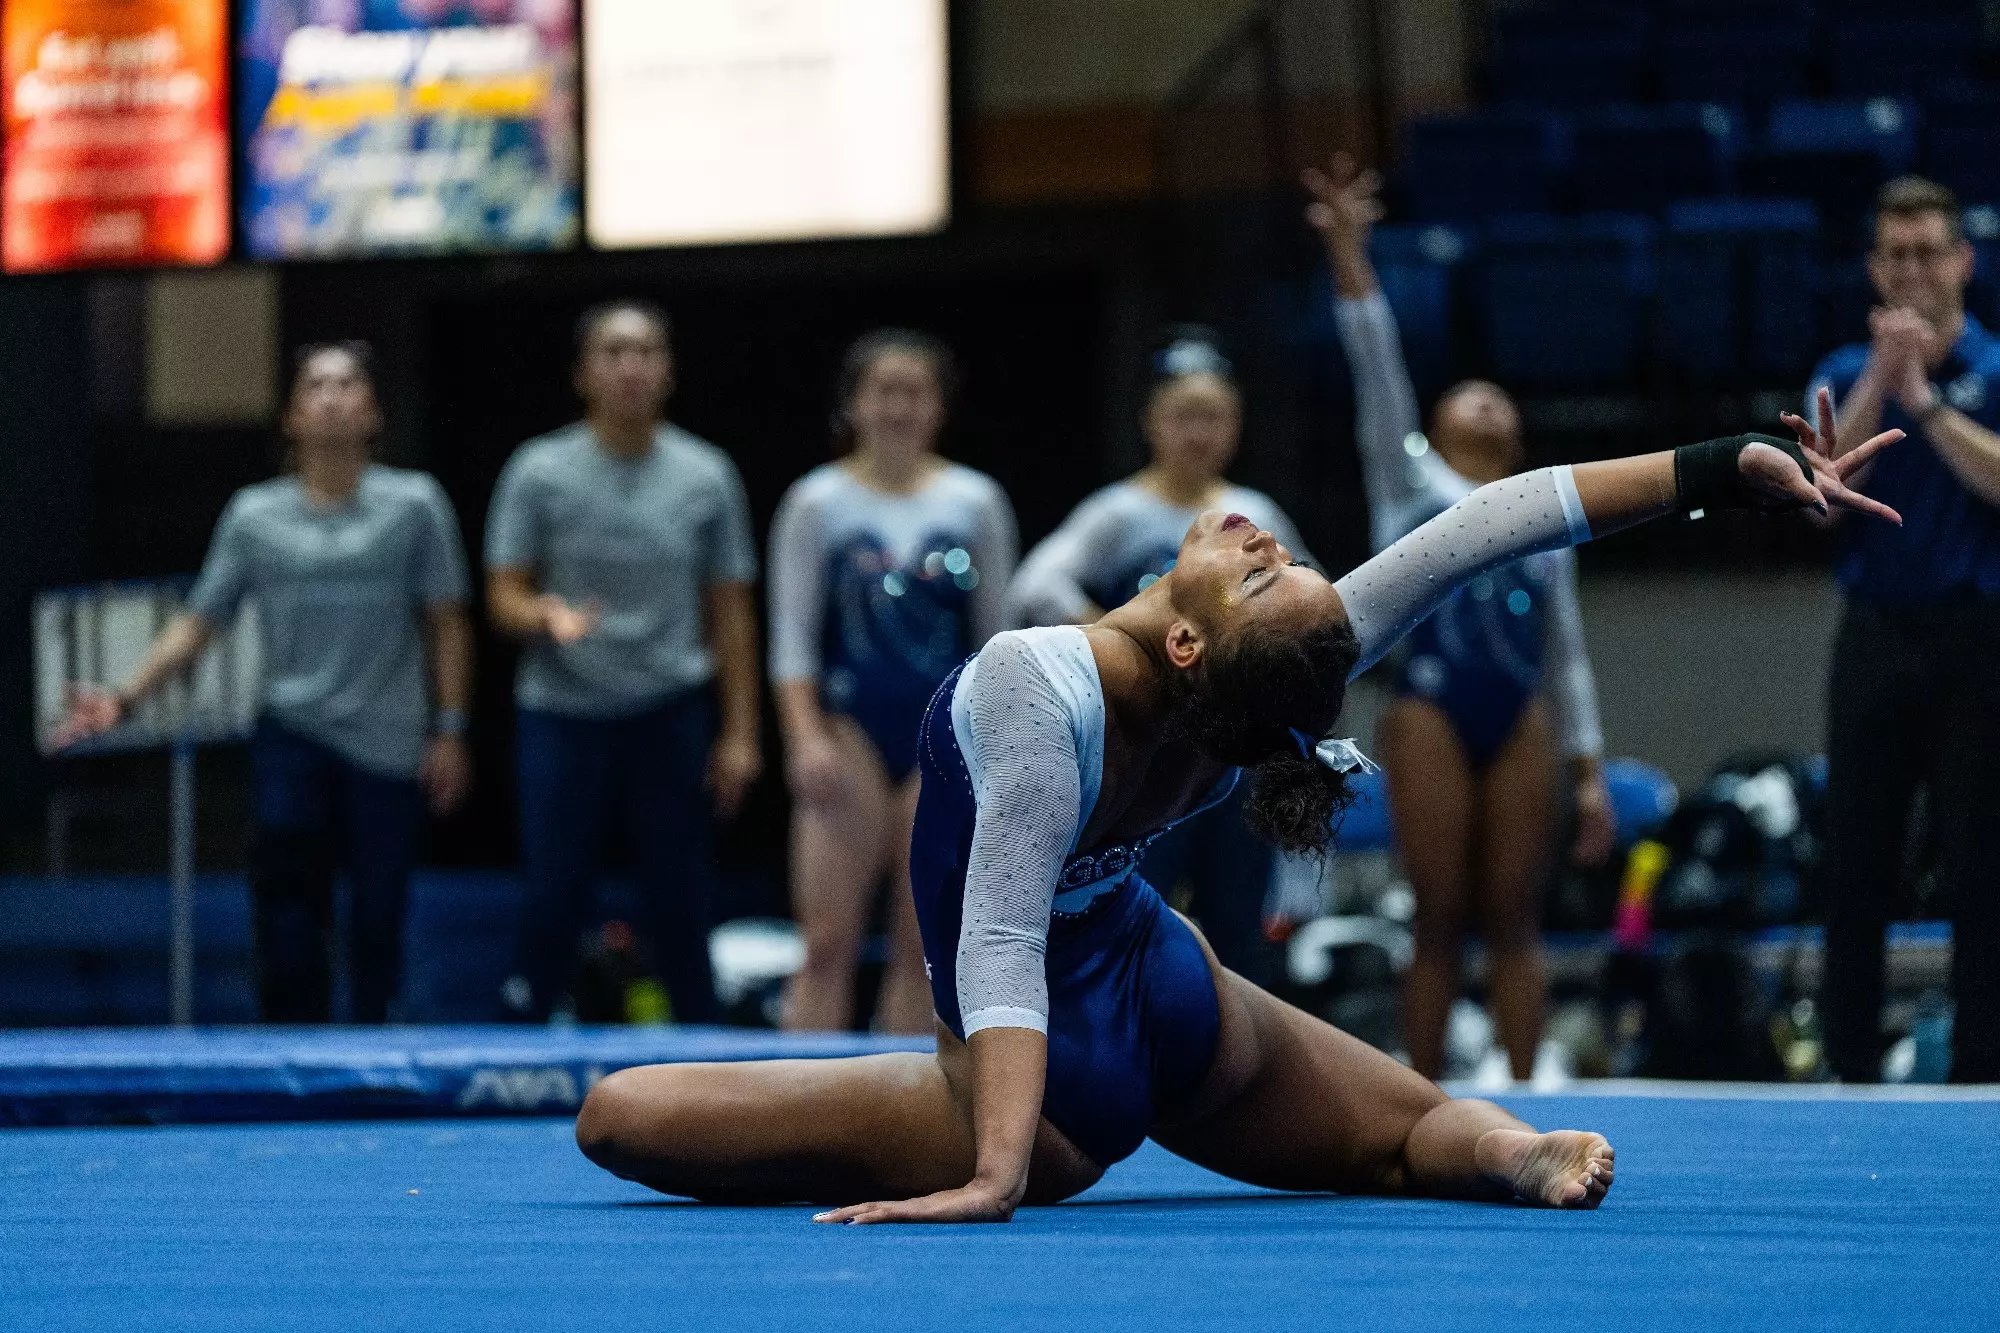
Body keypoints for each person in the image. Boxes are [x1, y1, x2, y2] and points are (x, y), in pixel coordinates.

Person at [572, 411, 1900, 1221]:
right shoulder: (1286, 675)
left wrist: (994, 1168)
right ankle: (1509, 1153)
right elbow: (1496, 523)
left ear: (1200, 645)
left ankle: (1509, 1152)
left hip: (1042, 1093)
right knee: (1404, 1135)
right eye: (1284, 563)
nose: (1271, 548)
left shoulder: (1039, 680)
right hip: (1174, 997)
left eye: (1269, 576)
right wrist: (1728, 463)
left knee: (620, 1116)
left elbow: (998, 950)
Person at [1305, 154, 1615, 1082]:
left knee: (1515, 913)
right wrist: (1351, 256)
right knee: (1438, 910)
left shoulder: (1540, 517)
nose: (1485, 395)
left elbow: (1567, 653)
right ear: (1434, 426)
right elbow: (1375, 366)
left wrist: (1589, 773)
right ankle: (1424, 1095)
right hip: (1430, 710)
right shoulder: (1408, 487)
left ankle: (1523, 1093)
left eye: (1499, 396)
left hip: (1518, 710)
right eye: (1466, 392)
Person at [56, 342, 474, 1023]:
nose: (333, 397)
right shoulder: (255, 515)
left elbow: (447, 621)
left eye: (348, 385)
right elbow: (200, 620)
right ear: (291, 416)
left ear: (373, 413)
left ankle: (377, 1053)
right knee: (285, 913)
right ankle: (291, 1053)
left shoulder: (416, 505)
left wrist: (450, 728)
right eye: (317, 385)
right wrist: (125, 696)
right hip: (293, 731)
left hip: (390, 736)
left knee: (379, 912)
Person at [1005, 328, 1310, 986]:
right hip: (1146, 751)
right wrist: (1118, 644)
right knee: (1129, 910)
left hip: (1230, 752)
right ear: (1152, 422)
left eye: (1214, 417)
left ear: (1236, 424)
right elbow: (1034, 587)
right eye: (1183, 416)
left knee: (1237, 923)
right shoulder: (1119, 513)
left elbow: (1312, 613)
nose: (1198, 433)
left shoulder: (1253, 513)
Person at [486, 300, 761, 1025]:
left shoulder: (707, 474)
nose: (630, 366)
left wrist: (740, 733)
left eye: (646, 352)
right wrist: (542, 616)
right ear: (583, 374)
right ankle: (518, 1056)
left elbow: (731, 611)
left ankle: (705, 1050)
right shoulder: (538, 470)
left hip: (670, 708)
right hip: (562, 708)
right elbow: (503, 594)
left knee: (680, 894)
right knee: (553, 892)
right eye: (612, 352)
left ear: (668, 372)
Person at [768, 330, 1018, 1034]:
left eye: (915, 392)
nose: (898, 407)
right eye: (883, 391)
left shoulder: (976, 503)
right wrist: (804, 738)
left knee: (922, 949)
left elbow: (999, 638)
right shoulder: (816, 503)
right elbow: (790, 638)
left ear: (939, 406)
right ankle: (803, 1111)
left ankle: (898, 1123)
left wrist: (992, 745)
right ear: (854, 404)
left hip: (943, 737)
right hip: (847, 734)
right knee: (824, 943)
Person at [1807, 176, 2000, 1084]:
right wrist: (1885, 381)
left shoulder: (1995, 366)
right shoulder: (1843, 374)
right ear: (1875, 268)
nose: (1914, 269)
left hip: (1977, 638)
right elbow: (1819, 500)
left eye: (1930, 250)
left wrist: (1926, 401)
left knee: (1981, 863)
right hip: (1877, 632)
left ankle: (1980, 1071)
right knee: (1858, 858)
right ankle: (1847, 1062)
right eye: (1897, 253)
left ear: (1964, 260)